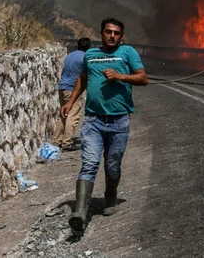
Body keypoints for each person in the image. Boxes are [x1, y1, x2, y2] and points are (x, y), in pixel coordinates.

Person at [60, 17, 148, 235]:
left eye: (117, 33)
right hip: (93, 120)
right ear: (101, 34)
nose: (112, 36)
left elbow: (143, 78)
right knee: (89, 164)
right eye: (108, 32)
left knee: (112, 165)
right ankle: (79, 213)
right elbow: (82, 78)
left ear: (122, 36)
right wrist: (70, 102)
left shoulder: (128, 53)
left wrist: (120, 76)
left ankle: (110, 196)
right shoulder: (90, 55)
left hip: (119, 121)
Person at [55, 37, 91, 151]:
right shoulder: (85, 58)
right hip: (73, 88)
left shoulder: (70, 55)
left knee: (63, 113)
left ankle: (57, 140)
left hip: (62, 87)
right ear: (89, 47)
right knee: (73, 115)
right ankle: (67, 143)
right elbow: (85, 76)